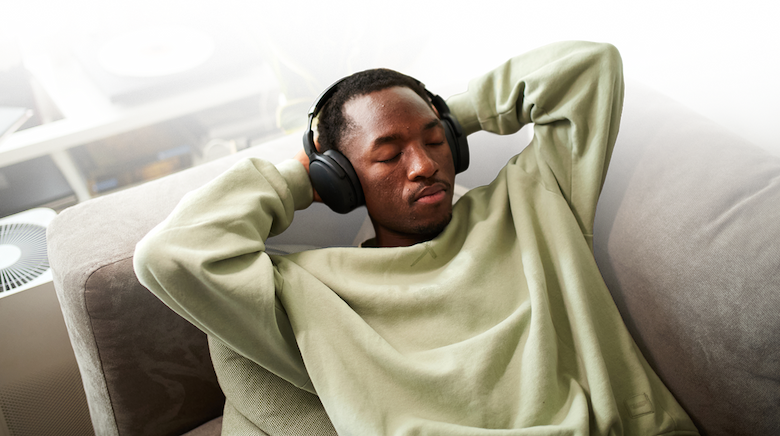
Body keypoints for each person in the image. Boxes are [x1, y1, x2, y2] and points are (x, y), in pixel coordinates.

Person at [133, 39, 699, 435]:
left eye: (434, 141)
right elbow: (171, 254)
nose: (425, 164)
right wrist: (299, 181)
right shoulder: (312, 291)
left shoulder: (532, 196)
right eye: (388, 154)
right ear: (341, 175)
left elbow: (590, 65)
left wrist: (454, 114)